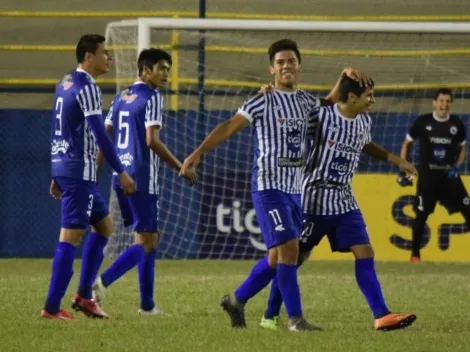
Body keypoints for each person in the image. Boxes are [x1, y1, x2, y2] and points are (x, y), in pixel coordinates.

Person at [180, 38, 371, 331]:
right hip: (269, 186)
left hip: (296, 190)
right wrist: (197, 153)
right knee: (291, 250)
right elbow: (230, 126)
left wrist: (343, 76)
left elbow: (330, 101)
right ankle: (295, 320)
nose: (286, 66)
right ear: (272, 69)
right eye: (280, 62)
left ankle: (235, 300)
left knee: (276, 257)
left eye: (291, 61)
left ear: (299, 66)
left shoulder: (307, 101)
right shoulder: (261, 100)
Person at [259, 76, 418, 332]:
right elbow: (291, 118)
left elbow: (367, 146)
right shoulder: (322, 116)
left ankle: (382, 315)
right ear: (352, 97)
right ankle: (269, 314)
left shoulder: (364, 121)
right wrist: (272, 95)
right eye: (369, 95)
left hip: (344, 201)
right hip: (313, 200)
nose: (373, 100)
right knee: (293, 258)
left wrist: (399, 161)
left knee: (365, 251)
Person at [92, 48, 197, 315]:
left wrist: (94, 172)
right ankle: (101, 282)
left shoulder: (120, 98)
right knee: (147, 241)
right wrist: (180, 167)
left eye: (168, 70)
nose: (166, 75)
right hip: (141, 178)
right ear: (146, 71)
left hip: (120, 176)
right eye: (161, 69)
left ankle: (147, 305)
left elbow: (104, 137)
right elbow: (152, 141)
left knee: (148, 238)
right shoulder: (152, 97)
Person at [42, 34, 135, 320]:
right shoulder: (88, 87)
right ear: (88, 57)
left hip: (69, 167)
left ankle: (83, 296)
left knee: (104, 227)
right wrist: (121, 171)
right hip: (78, 171)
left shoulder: (65, 81)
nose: (108, 58)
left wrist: (57, 170)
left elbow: (60, 130)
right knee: (70, 237)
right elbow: (100, 134)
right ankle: (52, 307)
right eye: (104, 53)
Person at [399, 88, 469, 263]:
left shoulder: (457, 125)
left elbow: (462, 149)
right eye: (441, 101)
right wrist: (405, 168)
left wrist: (457, 167)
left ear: (450, 104)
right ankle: (415, 255)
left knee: (468, 211)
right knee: (421, 216)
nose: (444, 105)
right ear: (434, 102)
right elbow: (406, 144)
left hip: (449, 178)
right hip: (428, 180)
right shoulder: (423, 122)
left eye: (447, 102)